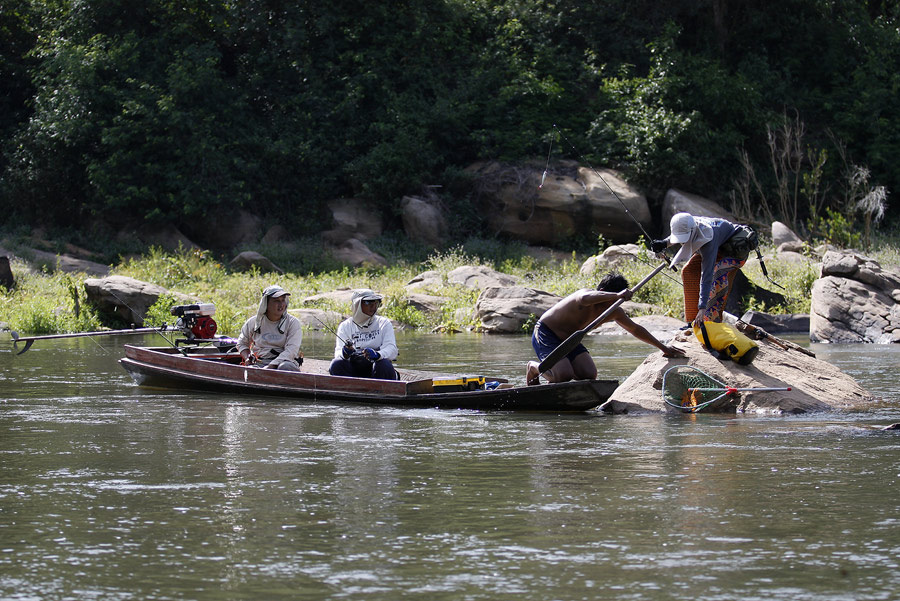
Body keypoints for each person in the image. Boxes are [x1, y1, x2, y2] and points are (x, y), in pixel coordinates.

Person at [525, 272, 685, 386]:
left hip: (570, 341)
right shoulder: (585, 296)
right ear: (603, 293)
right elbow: (583, 298)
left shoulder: (614, 311)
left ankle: (556, 370)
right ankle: (534, 367)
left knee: (589, 374)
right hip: (547, 333)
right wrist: (616, 296)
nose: (614, 305)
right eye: (612, 299)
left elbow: (635, 329)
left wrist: (664, 348)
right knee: (563, 375)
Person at [651, 212, 745, 327]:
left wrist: (702, 308)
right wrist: (664, 243)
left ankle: (712, 323)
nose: (682, 242)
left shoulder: (708, 239)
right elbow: (679, 234)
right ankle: (692, 323)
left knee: (717, 277)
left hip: (734, 251)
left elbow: (706, 276)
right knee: (688, 272)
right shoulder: (687, 222)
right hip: (717, 246)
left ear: (693, 231)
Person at [329, 289, 399, 379]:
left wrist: (378, 355)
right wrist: (345, 353)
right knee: (336, 364)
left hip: (377, 370)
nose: (373, 306)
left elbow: (392, 349)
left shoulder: (384, 323)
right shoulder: (345, 326)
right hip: (354, 371)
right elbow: (338, 353)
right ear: (357, 305)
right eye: (367, 302)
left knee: (383, 364)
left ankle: (380, 390)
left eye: (375, 302)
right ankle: (350, 389)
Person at [236, 285, 303, 371]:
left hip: (285, 363)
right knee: (251, 370)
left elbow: (291, 351)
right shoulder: (253, 322)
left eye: (283, 300)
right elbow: (242, 343)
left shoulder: (293, 323)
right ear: (265, 303)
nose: (281, 304)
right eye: (276, 301)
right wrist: (248, 358)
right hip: (260, 363)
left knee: (284, 367)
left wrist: (270, 367)